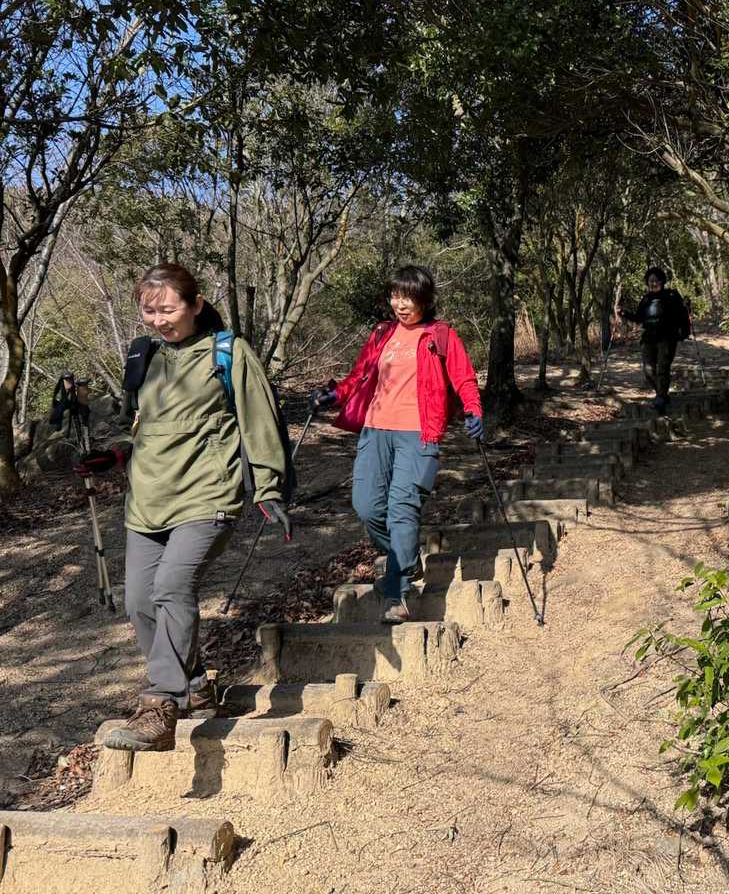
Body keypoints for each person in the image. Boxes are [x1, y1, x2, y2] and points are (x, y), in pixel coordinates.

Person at [73, 264, 291, 752]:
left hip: (207, 493)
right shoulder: (145, 355)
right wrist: (115, 455)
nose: (158, 320)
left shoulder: (228, 352)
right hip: (148, 499)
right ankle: (194, 686)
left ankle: (161, 705)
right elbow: (142, 427)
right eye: (149, 311)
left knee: (172, 587)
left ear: (195, 305)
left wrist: (269, 488)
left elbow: (260, 421)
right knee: (139, 602)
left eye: (168, 309)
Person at [313, 265, 484, 624]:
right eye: (395, 296)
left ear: (425, 299)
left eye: (408, 297)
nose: (400, 304)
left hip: (419, 434)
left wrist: (473, 410)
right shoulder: (382, 334)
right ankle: (405, 559)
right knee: (366, 507)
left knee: (402, 509)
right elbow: (359, 376)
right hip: (375, 431)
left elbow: (464, 379)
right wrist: (335, 395)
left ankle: (397, 592)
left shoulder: (440, 335)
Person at [619, 266, 691, 414]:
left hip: (667, 337)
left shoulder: (671, 295)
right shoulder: (646, 299)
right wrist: (624, 314)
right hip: (649, 338)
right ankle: (662, 394)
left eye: (656, 280)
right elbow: (639, 318)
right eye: (650, 281)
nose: (653, 283)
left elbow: (682, 313)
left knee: (663, 368)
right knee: (648, 370)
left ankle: (660, 399)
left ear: (662, 281)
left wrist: (685, 327)